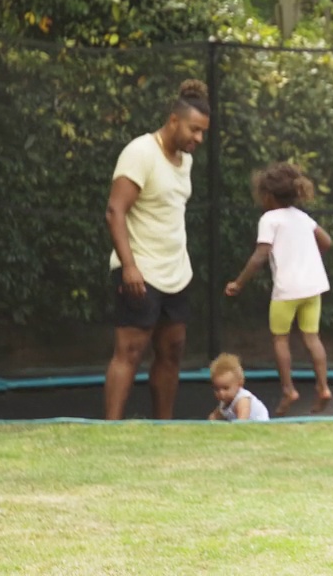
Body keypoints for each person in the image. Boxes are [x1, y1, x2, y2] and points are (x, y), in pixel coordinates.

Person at [104, 79, 211, 420]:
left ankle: (163, 430)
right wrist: (129, 266)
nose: (199, 139)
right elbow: (114, 211)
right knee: (130, 351)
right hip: (141, 270)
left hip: (177, 273)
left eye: (203, 132)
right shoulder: (140, 152)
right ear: (174, 120)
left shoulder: (186, 161)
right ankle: (108, 433)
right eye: (194, 130)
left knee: (172, 351)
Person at [225, 162, 333, 416]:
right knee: (311, 338)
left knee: (280, 339)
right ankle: (324, 387)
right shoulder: (302, 217)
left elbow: (260, 255)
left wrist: (238, 283)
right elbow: (327, 241)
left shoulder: (270, 219)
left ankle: (288, 389)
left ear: (268, 196)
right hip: (313, 286)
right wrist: (307, 257)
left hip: (287, 290)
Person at [208, 352, 270, 421]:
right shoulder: (224, 403)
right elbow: (213, 417)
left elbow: (242, 421)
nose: (221, 393)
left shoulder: (242, 399)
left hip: (260, 425)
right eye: (216, 389)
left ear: (240, 384)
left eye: (226, 388)